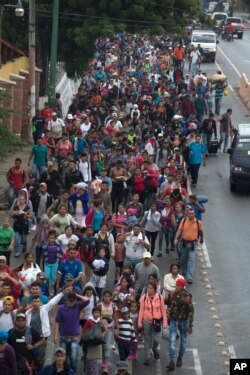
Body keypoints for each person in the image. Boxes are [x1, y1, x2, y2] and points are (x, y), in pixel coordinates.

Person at [54, 291, 89, 372]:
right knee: (62, 359)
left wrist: (76, 295)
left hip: (75, 338)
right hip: (64, 337)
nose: (71, 303)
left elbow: (87, 300)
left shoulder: (78, 306)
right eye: (70, 301)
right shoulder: (61, 308)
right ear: (67, 300)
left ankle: (72, 372)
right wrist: (55, 335)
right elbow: (57, 322)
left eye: (73, 301)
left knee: (73, 358)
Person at [166, 278, 194, 371]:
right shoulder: (172, 294)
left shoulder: (187, 297)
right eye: (176, 285)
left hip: (183, 322)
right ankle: (171, 360)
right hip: (174, 320)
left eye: (178, 286)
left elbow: (191, 311)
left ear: (182, 287)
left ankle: (180, 357)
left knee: (183, 341)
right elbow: (167, 302)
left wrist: (190, 325)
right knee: (172, 340)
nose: (176, 287)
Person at [138, 281, 168, 365]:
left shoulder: (160, 297)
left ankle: (154, 348)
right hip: (146, 321)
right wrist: (139, 322)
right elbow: (141, 310)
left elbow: (163, 310)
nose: (149, 290)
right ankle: (148, 356)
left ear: (155, 289)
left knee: (156, 339)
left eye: (151, 288)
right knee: (147, 339)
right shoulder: (144, 297)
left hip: (157, 321)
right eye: (148, 288)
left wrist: (165, 322)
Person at [174, 208, 204, 283]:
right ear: (187, 214)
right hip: (184, 243)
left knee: (191, 260)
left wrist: (201, 239)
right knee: (183, 259)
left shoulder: (198, 222)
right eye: (189, 213)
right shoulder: (183, 221)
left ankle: (189, 277)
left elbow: (200, 231)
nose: (191, 215)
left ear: (194, 214)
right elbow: (180, 230)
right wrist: (176, 238)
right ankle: (184, 270)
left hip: (193, 244)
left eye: (192, 213)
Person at [82, 306, 107, 375]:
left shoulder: (100, 322)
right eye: (95, 312)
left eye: (98, 313)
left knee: (94, 361)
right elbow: (84, 331)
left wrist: (101, 323)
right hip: (89, 344)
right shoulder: (89, 321)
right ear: (92, 313)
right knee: (89, 359)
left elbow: (106, 330)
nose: (97, 314)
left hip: (97, 344)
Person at [11, 193, 33, 257]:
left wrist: (26, 214)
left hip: (24, 226)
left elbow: (31, 215)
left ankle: (25, 246)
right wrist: (17, 213)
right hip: (17, 226)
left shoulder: (27, 207)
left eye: (22, 199)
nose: (21, 200)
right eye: (20, 199)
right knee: (17, 239)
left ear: (25, 200)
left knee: (23, 240)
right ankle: (17, 252)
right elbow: (12, 213)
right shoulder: (16, 206)